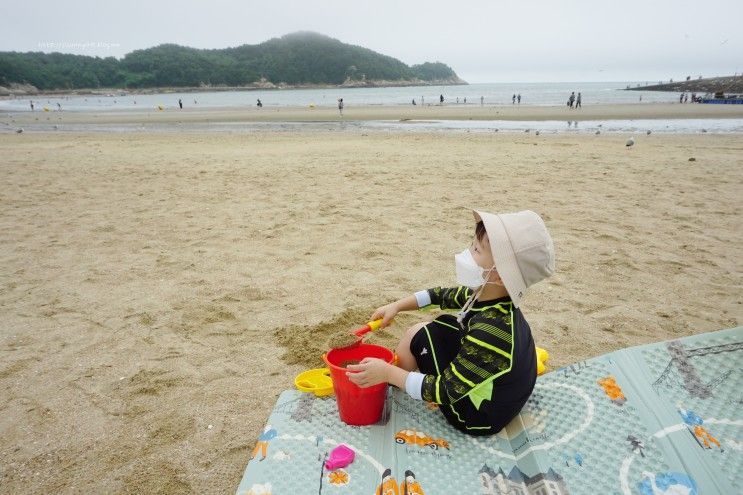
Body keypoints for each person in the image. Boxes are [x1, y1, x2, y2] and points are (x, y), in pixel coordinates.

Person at [347, 209, 555, 436]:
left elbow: (446, 391)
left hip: (478, 416)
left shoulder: (492, 331)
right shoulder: (486, 295)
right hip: (498, 390)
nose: (467, 253)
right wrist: (396, 306)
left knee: (421, 335)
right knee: (441, 325)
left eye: (476, 250)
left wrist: (388, 373)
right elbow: (440, 295)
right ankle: (392, 376)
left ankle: (388, 384)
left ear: (500, 275)